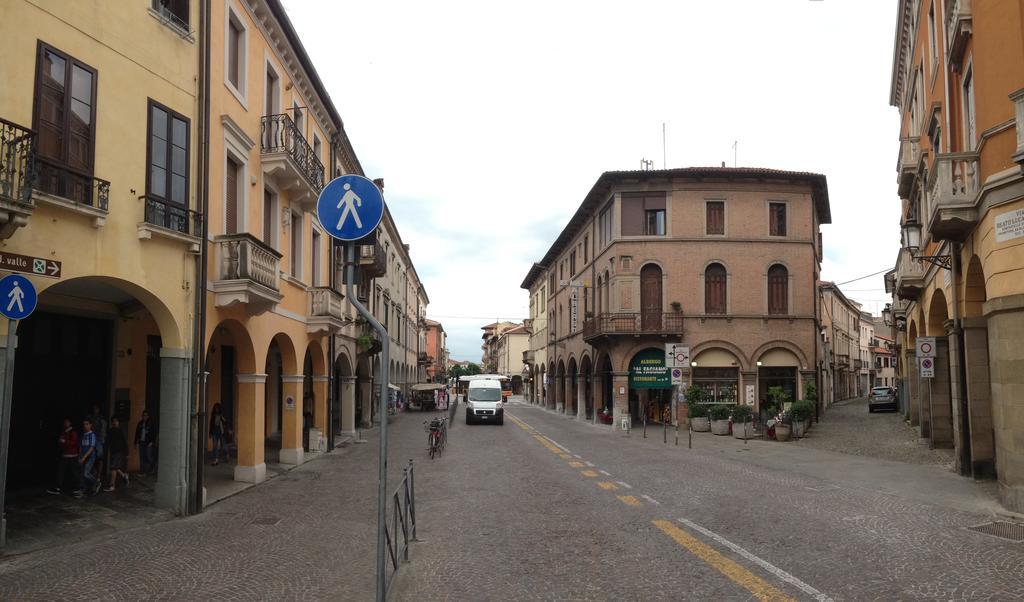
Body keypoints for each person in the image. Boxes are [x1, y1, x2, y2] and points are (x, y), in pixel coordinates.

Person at [47, 418, 80, 497]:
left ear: (70, 423)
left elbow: (73, 443)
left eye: (67, 422)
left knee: (74, 472)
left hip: (72, 455)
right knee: (60, 471)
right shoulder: (64, 432)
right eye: (64, 422)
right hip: (65, 455)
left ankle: (77, 488)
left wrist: (64, 442)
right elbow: (61, 443)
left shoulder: (73, 432)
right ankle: (58, 488)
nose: (65, 423)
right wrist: (61, 443)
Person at [104, 416, 129, 492]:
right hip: (112, 451)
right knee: (115, 467)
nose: (115, 423)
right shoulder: (110, 431)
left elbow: (125, 442)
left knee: (113, 468)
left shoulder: (121, 431)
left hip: (119, 451)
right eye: (113, 421)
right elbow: (107, 441)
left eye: (116, 421)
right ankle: (124, 476)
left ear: (118, 422)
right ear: (112, 423)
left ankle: (112, 485)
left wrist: (127, 453)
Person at [79, 419, 100, 495]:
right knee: (83, 474)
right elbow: (81, 447)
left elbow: (91, 448)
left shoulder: (92, 435)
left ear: (90, 425)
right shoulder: (83, 435)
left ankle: (96, 482)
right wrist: (80, 456)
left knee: (86, 473)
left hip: (90, 457)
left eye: (87, 424)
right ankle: (85, 488)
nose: (85, 426)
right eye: (84, 424)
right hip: (83, 457)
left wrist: (84, 457)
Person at [135, 410, 157, 475]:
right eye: (144, 415)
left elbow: (153, 433)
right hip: (141, 442)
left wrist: (152, 442)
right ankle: (142, 472)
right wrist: (135, 442)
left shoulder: (151, 423)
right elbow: (137, 433)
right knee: (142, 457)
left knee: (148, 456)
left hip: (148, 443)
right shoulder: (140, 423)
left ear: (148, 416)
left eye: (146, 415)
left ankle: (154, 465)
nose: (145, 417)